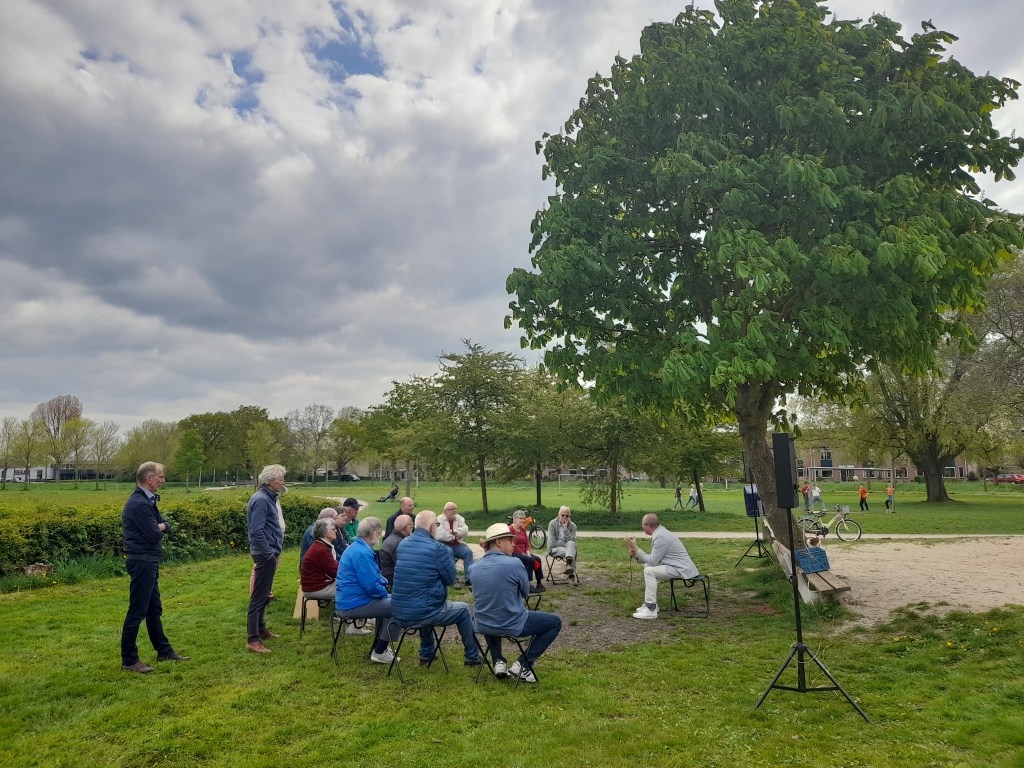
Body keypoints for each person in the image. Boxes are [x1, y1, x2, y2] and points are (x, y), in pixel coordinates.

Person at [120, 461, 189, 673]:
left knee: (153, 609)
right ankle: (129, 660)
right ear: (149, 478)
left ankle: (164, 651)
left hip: (149, 559)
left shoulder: (148, 501)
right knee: (137, 611)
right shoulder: (139, 504)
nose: (163, 480)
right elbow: (154, 532)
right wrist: (161, 527)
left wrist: (161, 526)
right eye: (160, 476)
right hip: (142, 561)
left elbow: (163, 524)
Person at [390, 511, 482, 667]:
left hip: (400, 610)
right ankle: (472, 656)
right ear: (433, 527)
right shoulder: (439, 549)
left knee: (424, 597)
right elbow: (449, 579)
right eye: (437, 525)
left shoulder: (403, 544)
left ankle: (427, 653)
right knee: (464, 609)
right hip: (423, 611)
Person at [472, 523, 562, 683]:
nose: (514, 544)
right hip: (511, 623)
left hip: (483, 624)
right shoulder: (514, 563)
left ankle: (498, 661)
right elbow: (525, 592)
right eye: (510, 540)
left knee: (491, 607)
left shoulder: (474, 567)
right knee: (555, 622)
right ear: (499, 542)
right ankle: (523, 664)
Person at [336, 517, 398, 664]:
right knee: (400, 606)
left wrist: (383, 589)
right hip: (353, 604)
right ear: (372, 533)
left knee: (393, 601)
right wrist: (384, 593)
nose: (381, 534)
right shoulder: (362, 552)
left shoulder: (357, 547)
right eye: (379, 531)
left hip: (352, 600)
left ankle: (379, 647)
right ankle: (380, 650)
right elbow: (371, 586)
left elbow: (374, 578)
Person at [625, 513, 700, 620]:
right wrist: (636, 555)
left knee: (649, 571)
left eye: (642, 525)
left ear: (648, 526)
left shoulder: (661, 536)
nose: (642, 528)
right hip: (676, 566)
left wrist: (636, 549)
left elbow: (653, 561)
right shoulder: (660, 533)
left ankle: (650, 610)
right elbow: (652, 560)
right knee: (647, 567)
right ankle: (650, 605)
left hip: (681, 569)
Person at [246, 464, 286, 654]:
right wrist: (270, 554)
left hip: (269, 553)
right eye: (281, 479)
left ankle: (261, 629)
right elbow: (256, 532)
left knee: (264, 596)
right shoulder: (261, 500)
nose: (283, 482)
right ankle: (253, 640)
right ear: (271, 482)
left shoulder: (268, 498)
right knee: (258, 597)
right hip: (264, 554)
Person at [434, 501, 474, 587]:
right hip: (443, 544)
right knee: (448, 552)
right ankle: (454, 580)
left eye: (456, 509)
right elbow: (440, 535)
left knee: (468, 552)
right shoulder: (439, 519)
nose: (455, 511)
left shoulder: (459, 518)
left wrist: (453, 531)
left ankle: (469, 579)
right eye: (452, 509)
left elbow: (465, 530)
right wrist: (455, 536)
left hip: (457, 544)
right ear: (445, 511)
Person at [300, 517, 340, 600]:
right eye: (333, 529)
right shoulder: (320, 549)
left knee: (354, 585)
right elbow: (335, 571)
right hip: (317, 589)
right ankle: (345, 612)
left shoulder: (321, 545)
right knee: (354, 590)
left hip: (320, 585)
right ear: (324, 532)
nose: (335, 531)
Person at [509, 509, 545, 593]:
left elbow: (527, 543)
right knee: (529, 560)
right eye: (520, 518)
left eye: (523, 518)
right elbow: (513, 544)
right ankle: (527, 585)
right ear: (515, 519)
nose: (523, 520)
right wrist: (523, 554)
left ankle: (539, 583)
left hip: (524, 553)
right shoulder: (510, 529)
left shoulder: (522, 529)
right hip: (514, 553)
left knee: (537, 559)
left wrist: (528, 552)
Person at [299, 508, 340, 572]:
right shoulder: (313, 533)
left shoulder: (323, 539)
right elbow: (325, 562)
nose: (336, 530)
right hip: (313, 573)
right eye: (333, 529)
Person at [379, 513, 413, 587]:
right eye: (411, 526)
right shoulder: (400, 543)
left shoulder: (393, 538)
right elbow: (405, 567)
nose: (412, 529)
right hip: (393, 582)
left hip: (389, 579)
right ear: (406, 527)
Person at [546, 506, 578, 576]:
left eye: (567, 516)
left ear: (569, 516)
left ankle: (568, 566)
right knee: (571, 550)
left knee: (571, 545)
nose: (564, 517)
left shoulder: (573, 526)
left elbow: (573, 541)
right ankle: (572, 577)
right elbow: (553, 543)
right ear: (558, 515)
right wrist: (566, 544)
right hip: (554, 549)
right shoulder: (552, 524)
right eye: (562, 515)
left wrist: (566, 529)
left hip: (567, 548)